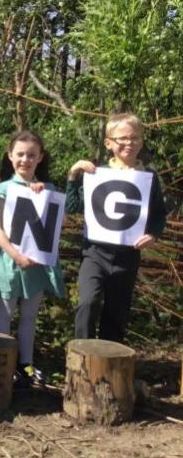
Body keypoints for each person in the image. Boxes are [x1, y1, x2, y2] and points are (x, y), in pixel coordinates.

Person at [65, 113, 166, 343]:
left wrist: (154, 234)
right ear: (109, 143)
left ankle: (110, 367)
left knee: (117, 312)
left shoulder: (149, 176)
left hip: (128, 256)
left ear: (141, 140)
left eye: (135, 137)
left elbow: (159, 214)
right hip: (95, 253)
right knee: (88, 302)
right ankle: (82, 355)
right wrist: (73, 174)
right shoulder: (96, 173)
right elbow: (72, 207)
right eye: (122, 138)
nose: (129, 143)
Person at [0, 131, 65, 387]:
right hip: (11, 261)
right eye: (20, 154)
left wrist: (42, 196)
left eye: (31, 155)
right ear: (10, 156)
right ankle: (1, 361)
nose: (25, 160)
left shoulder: (49, 190)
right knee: (5, 311)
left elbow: (56, 225)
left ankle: (26, 364)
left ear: (40, 158)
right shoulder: (2, 189)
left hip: (37, 264)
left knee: (30, 314)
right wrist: (15, 255)